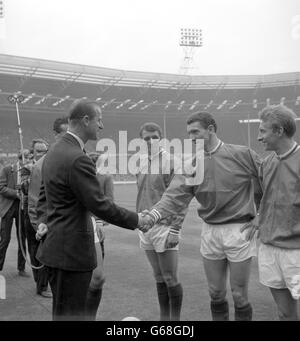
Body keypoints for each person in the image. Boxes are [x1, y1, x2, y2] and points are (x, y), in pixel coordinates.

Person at [35, 99, 151, 321]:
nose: (102, 126)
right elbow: (99, 204)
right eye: (99, 120)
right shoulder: (77, 158)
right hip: (71, 253)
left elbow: (43, 196)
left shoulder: (55, 151)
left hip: (56, 249)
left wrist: (43, 220)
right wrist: (137, 219)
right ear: (86, 120)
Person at [144, 111, 263, 321]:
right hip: (210, 231)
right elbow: (173, 196)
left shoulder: (242, 154)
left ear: (211, 129)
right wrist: (152, 216)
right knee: (215, 293)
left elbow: (268, 182)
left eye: (195, 132)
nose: (191, 138)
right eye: (188, 133)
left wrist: (261, 214)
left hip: (239, 231)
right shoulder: (190, 164)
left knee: (239, 296)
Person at [247, 104, 300, 320]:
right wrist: (259, 217)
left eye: (263, 131)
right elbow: (262, 197)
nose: (259, 138)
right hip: (268, 247)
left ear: (279, 131)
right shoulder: (266, 163)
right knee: (284, 313)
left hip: (296, 252)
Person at [136, 122, 184, 321]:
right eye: (146, 138)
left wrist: (175, 228)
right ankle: (164, 320)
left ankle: (175, 322)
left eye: (154, 137)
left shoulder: (172, 161)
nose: (150, 141)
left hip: (165, 226)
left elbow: (180, 197)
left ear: (161, 138)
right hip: (145, 227)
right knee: (158, 277)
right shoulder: (138, 161)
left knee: (170, 277)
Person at [28, 119, 68, 298]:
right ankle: (43, 287)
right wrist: (38, 226)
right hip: (46, 223)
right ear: (56, 135)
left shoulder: (68, 158)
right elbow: (35, 200)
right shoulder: (41, 165)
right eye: (65, 134)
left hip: (63, 224)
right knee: (44, 257)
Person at [84, 151, 114, 321]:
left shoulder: (106, 177)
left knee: (97, 276)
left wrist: (100, 221)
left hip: (95, 226)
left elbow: (109, 201)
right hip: (77, 225)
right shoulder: (81, 176)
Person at [0, 150, 31, 277]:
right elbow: (1, 187)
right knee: (5, 239)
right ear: (20, 159)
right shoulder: (8, 169)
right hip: (8, 208)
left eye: (29, 159)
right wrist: (16, 193)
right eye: (27, 159)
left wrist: (25, 189)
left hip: (21, 208)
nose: (28, 161)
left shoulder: (29, 171)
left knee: (22, 238)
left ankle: (21, 268)